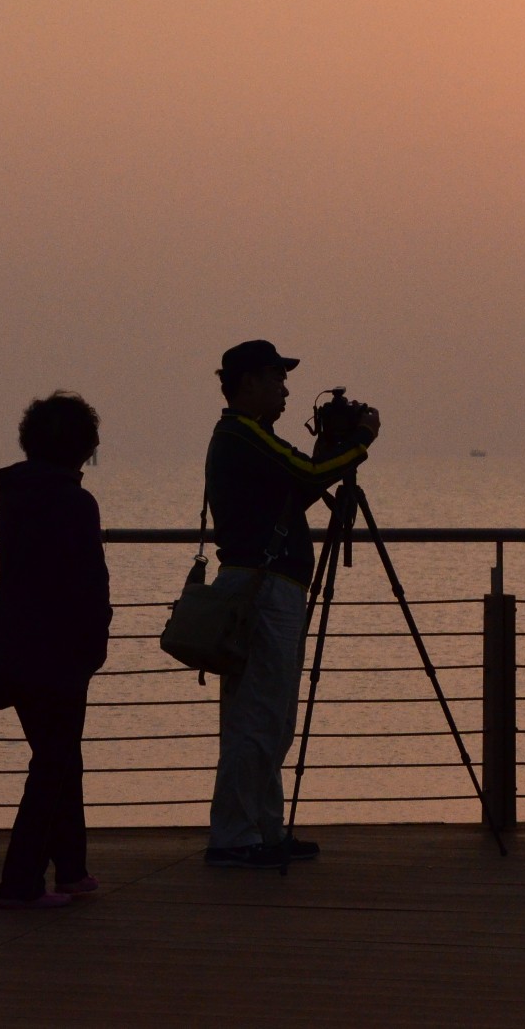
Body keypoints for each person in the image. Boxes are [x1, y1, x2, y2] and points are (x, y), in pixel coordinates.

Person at [202, 339, 378, 869]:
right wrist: (360, 442)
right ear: (249, 383)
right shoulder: (243, 433)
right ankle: (236, 835)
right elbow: (304, 475)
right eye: (278, 379)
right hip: (262, 590)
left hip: (269, 588)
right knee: (256, 717)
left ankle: (263, 828)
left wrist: (329, 457)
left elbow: (293, 488)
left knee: (272, 718)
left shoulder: (250, 438)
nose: (285, 390)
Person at [0, 392, 112, 910]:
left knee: (60, 757)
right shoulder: (75, 502)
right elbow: (87, 582)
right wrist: (95, 640)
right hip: (57, 652)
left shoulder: (15, 493)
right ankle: (20, 882)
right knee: (53, 762)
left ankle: (72, 868)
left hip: (14, 645)